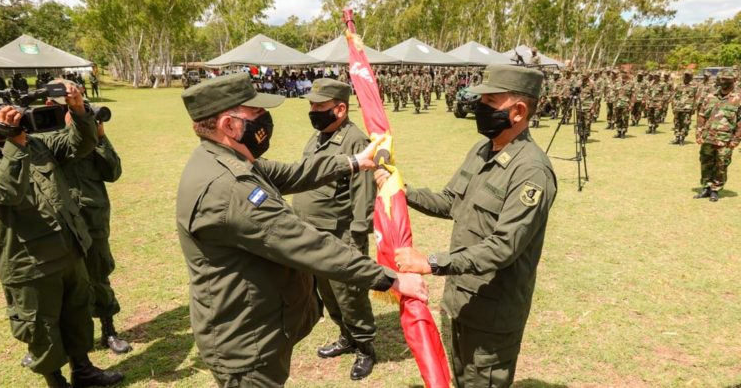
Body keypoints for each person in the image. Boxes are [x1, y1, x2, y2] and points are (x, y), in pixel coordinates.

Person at [176, 73, 427, 387]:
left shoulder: (224, 159)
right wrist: (392, 279)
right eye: (255, 113)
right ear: (229, 125)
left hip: (254, 328)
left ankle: (359, 340)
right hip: (247, 346)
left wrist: (354, 161)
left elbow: (295, 172)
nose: (265, 119)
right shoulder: (230, 187)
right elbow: (308, 244)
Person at [379, 64, 557, 388]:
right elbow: (450, 201)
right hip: (459, 300)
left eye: (490, 101)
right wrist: (401, 192)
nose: (480, 108)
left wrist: (429, 263)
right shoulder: (483, 149)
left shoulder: (531, 171)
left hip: (492, 315)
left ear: (517, 111)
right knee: (460, 380)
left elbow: (504, 247)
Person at [0, 81, 123, 388]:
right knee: (42, 329)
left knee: (77, 319)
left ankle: (83, 371)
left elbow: (80, 145)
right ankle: (55, 381)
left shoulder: (35, 143)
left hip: (69, 249)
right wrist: (15, 143)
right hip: (29, 263)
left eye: (1, 107)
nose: (2, 113)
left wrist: (78, 110)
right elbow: (6, 191)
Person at [292, 79, 379, 380]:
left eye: (319, 106)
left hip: (340, 235)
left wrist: (357, 237)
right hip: (311, 233)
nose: (313, 111)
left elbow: (364, 191)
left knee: (350, 293)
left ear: (340, 109)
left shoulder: (355, 141)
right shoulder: (317, 137)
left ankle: (365, 347)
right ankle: (346, 336)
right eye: (312, 105)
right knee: (326, 291)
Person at [52, 92, 130, 355]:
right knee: (64, 281)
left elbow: (113, 172)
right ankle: (66, 338)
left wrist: (100, 136)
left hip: (92, 217)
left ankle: (108, 330)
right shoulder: (47, 137)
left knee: (98, 274)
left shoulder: (93, 137)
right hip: (59, 221)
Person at [694, 70, 741, 202]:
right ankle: (706, 187)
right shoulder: (710, 96)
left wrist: (736, 139)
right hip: (708, 137)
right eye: (721, 79)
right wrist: (698, 133)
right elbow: (702, 116)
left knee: (721, 165)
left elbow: (740, 121)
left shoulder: (738, 99)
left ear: (734, 81)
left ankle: (715, 189)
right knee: (705, 163)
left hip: (725, 139)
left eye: (727, 79)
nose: (723, 81)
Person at [671, 70, 698, 145]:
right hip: (678, 107)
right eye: (685, 76)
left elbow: (696, 98)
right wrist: (673, 106)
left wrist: (694, 108)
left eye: (688, 76)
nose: (686, 77)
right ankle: (677, 137)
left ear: (691, 77)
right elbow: (674, 97)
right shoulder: (679, 86)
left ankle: (682, 138)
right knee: (677, 123)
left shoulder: (694, 87)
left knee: (685, 123)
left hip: (687, 108)